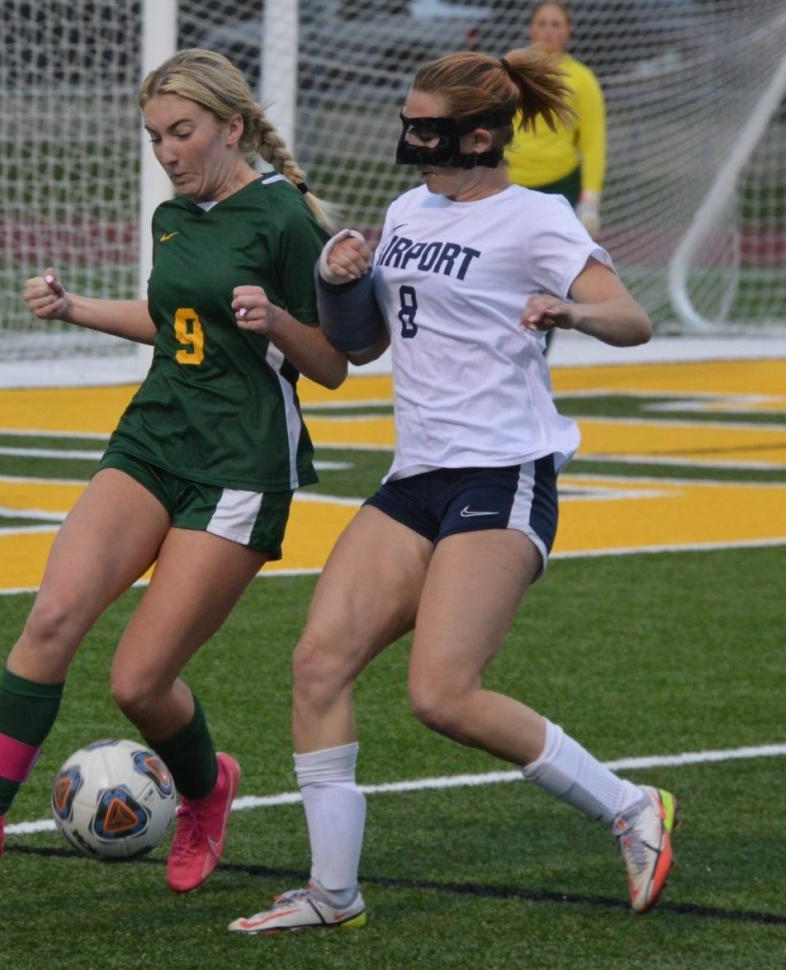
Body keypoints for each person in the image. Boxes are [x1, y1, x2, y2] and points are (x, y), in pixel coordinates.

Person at [229, 48, 674, 935]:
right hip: (416, 477)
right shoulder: (406, 209)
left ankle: (631, 806)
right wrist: (339, 279)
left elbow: (634, 319)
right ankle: (333, 893)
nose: (410, 140)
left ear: (478, 136)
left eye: (425, 127)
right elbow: (361, 349)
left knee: (442, 694)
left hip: (502, 473)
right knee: (318, 664)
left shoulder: (535, 219)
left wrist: (571, 312)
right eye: (409, 121)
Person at [0, 48, 348, 897]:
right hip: (151, 439)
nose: (167, 152)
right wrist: (73, 309)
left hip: (240, 466)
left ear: (233, 126)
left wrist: (279, 321)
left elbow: (334, 364)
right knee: (52, 616)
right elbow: (172, 320)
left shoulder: (288, 219)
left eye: (182, 132)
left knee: (139, 682)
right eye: (154, 137)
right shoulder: (172, 217)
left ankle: (207, 788)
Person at [505, 2, 606, 355]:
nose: (548, 30)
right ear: (531, 29)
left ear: (567, 31)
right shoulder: (512, 72)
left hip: (558, 187)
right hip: (510, 186)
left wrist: (590, 200)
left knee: (549, 278)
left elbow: (593, 143)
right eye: (542, 23)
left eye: (556, 24)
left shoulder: (582, 80)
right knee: (506, 270)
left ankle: (536, 353)